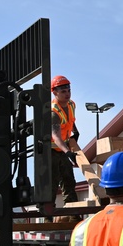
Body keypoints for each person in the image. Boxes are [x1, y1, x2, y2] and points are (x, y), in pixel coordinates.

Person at [50, 75, 81, 205]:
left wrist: (75, 132)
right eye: (63, 91)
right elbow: (56, 137)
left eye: (68, 90)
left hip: (62, 149)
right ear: (54, 92)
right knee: (52, 183)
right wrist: (68, 152)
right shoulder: (53, 111)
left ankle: (72, 213)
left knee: (69, 180)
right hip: (50, 151)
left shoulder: (71, 104)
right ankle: (48, 218)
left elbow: (70, 121)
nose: (67, 94)